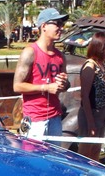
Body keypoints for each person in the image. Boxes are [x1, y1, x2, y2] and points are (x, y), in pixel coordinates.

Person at [12, 8, 69, 141]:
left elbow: (65, 86)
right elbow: (17, 86)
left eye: (62, 24)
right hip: (34, 120)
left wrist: (64, 84)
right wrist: (46, 87)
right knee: (32, 155)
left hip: (55, 117)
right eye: (57, 24)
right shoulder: (30, 52)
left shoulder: (60, 56)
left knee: (54, 155)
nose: (61, 28)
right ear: (44, 26)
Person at [78, 32, 105, 161]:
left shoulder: (101, 66)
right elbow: (85, 96)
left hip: (101, 114)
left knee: (95, 150)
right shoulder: (90, 66)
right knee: (86, 151)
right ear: (102, 48)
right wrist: (90, 122)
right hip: (91, 113)